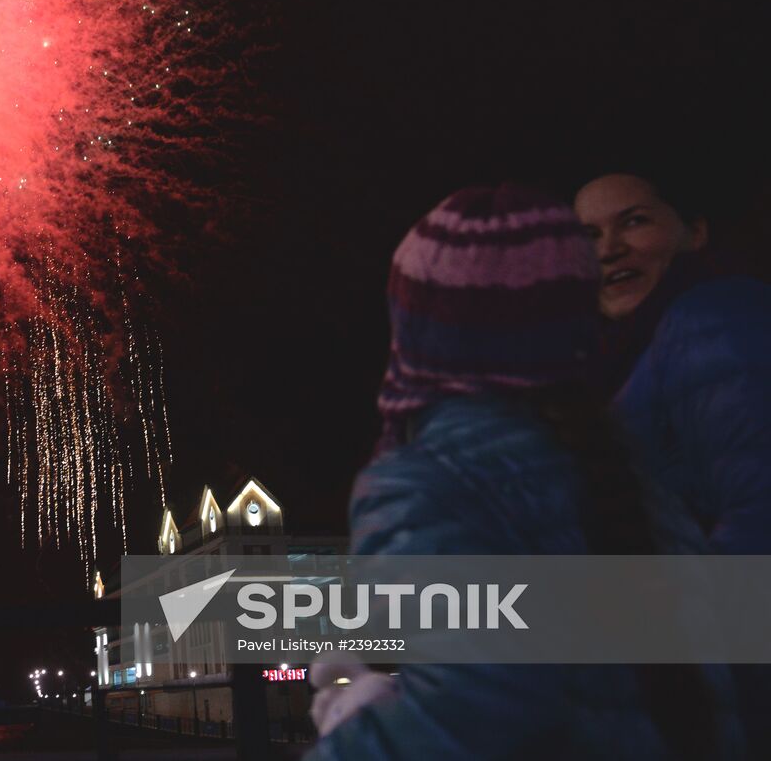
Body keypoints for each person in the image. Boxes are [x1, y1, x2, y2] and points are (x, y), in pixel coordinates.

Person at [306, 184, 742, 759]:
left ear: (416, 327)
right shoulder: (628, 467)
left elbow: (475, 713)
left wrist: (352, 721)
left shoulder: (425, 482)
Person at [574, 172, 771, 554]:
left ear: (695, 233)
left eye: (634, 221)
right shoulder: (628, 352)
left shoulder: (712, 317)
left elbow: (760, 505)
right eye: (590, 236)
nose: (608, 250)